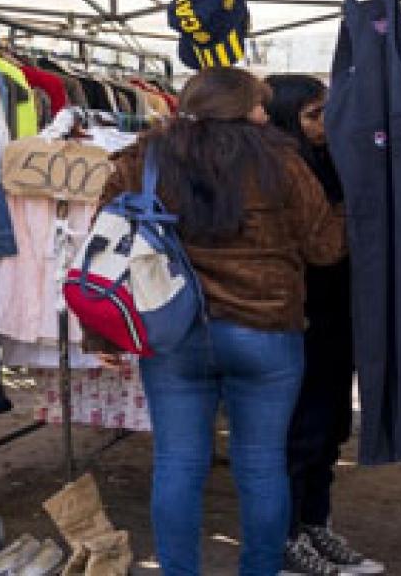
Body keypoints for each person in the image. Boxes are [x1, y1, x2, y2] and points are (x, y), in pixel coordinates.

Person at [98, 68, 346, 576]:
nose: (263, 114)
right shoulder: (281, 160)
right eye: (259, 105)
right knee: (261, 464)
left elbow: (106, 243)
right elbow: (324, 248)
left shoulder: (144, 157)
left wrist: (101, 330)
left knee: (178, 463)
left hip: (174, 329)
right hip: (266, 330)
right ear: (240, 108)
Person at [265, 74, 385, 576]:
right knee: (302, 431)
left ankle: (314, 525)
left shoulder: (325, 161)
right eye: (313, 115)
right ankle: (289, 538)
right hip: (301, 316)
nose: (324, 124)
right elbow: (319, 245)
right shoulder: (280, 168)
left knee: (330, 427)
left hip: (335, 313)